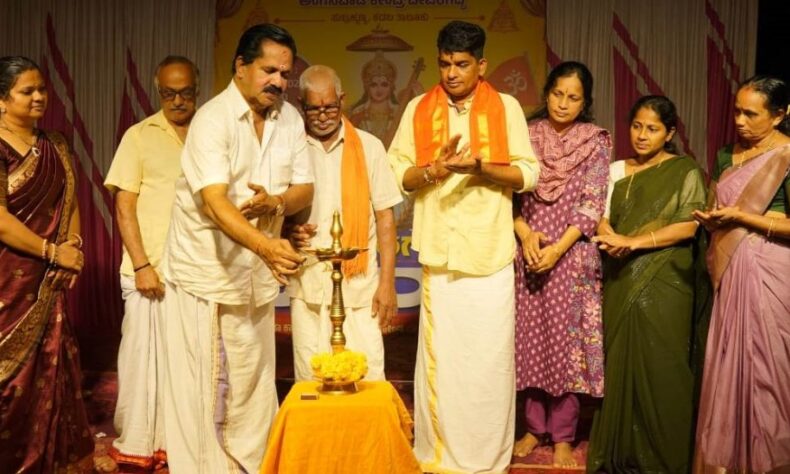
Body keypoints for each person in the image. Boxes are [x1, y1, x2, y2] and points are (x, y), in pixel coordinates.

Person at [159, 24, 313, 473]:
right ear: (240, 66)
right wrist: (267, 245)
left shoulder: (290, 119)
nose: (278, 82)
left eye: (285, 74)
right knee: (206, 386)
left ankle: (252, 465)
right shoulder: (213, 120)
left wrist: (277, 204)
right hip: (207, 275)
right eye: (269, 70)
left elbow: (304, 188)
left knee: (253, 379)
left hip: (256, 277)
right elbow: (214, 201)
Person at [388, 21, 540, 473]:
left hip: (489, 254)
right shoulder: (418, 108)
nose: (451, 73)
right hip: (440, 255)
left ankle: (486, 458)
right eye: (444, 63)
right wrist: (433, 170)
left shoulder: (506, 107)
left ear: (481, 65)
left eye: (461, 64)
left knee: (488, 364)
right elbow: (398, 174)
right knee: (444, 363)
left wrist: (481, 167)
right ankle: (440, 456)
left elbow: (528, 173)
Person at [0, 56, 115, 473]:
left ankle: (55, 460)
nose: (38, 97)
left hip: (51, 277)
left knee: (51, 368)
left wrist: (72, 247)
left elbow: (70, 203)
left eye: (42, 89)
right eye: (26, 91)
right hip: (10, 278)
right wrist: (52, 252)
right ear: (1, 99)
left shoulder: (57, 144)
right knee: (9, 380)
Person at [587, 96, 708, 473]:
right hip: (620, 274)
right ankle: (620, 451)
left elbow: (688, 226)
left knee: (663, 363)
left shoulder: (685, 170)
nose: (642, 135)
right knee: (619, 361)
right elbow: (602, 216)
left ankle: (665, 456)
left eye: (652, 129)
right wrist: (609, 234)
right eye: (637, 126)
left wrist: (633, 242)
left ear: (669, 133)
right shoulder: (616, 170)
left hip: (667, 279)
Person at [103, 55, 199, 471]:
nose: (177, 101)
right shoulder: (139, 136)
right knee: (141, 364)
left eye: (185, 93)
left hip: (196, 272)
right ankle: (139, 445)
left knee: (189, 367)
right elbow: (124, 207)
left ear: (197, 90)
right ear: (158, 91)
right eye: (168, 93)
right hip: (149, 270)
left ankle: (179, 445)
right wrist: (142, 265)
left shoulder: (210, 134)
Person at [512, 61, 609, 467]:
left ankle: (564, 435)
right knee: (529, 342)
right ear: (547, 92)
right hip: (530, 252)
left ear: (585, 103)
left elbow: (591, 204)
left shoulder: (595, 141)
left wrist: (557, 250)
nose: (563, 104)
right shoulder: (524, 135)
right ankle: (534, 428)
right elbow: (509, 198)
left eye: (573, 98)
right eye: (557, 94)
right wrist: (525, 235)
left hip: (571, 257)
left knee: (567, 348)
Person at [693, 76, 790, 473]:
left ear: (780, 115)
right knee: (728, 365)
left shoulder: (786, 155)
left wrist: (744, 218)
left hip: (771, 271)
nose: (739, 121)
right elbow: (717, 205)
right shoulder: (725, 155)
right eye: (736, 111)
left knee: (768, 369)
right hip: (729, 268)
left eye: (751, 114)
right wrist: (712, 219)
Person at [286, 65, 402, 381]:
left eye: (330, 107)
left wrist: (387, 284)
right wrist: (287, 231)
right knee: (311, 380)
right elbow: (278, 209)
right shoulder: (291, 149)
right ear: (301, 105)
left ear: (342, 100)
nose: (323, 116)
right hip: (308, 286)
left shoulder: (369, 147)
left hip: (359, 289)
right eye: (314, 109)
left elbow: (385, 217)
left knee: (367, 377)